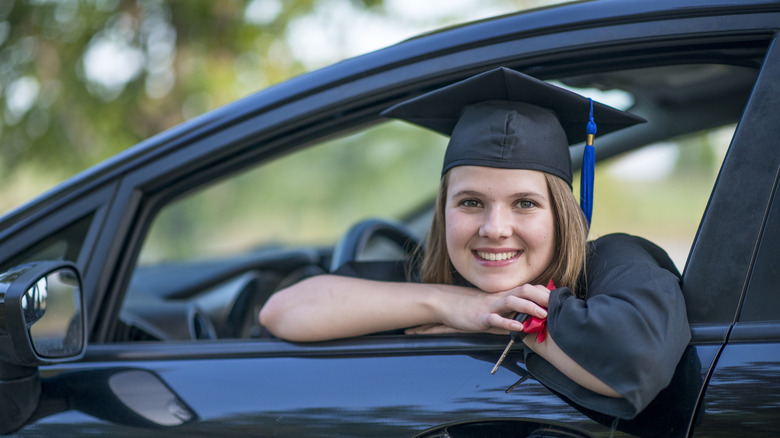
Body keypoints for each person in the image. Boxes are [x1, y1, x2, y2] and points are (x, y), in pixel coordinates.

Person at [259, 67, 691, 420]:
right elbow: (284, 311)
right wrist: (452, 305)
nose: (494, 228)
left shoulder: (612, 263)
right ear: (443, 211)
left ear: (563, 215)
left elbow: (638, 360)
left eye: (524, 203)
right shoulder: (423, 282)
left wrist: (506, 320)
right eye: (470, 202)